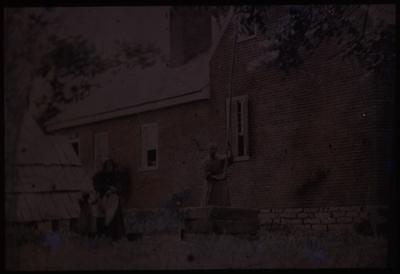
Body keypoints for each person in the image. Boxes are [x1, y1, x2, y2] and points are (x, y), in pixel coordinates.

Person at [202, 143, 233, 207]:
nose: (213, 151)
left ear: (216, 150)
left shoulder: (220, 159)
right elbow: (207, 176)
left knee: (222, 198)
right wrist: (220, 177)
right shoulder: (206, 162)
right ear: (208, 151)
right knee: (210, 200)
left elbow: (230, 160)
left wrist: (229, 150)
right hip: (212, 184)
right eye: (211, 149)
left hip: (220, 184)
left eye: (214, 149)